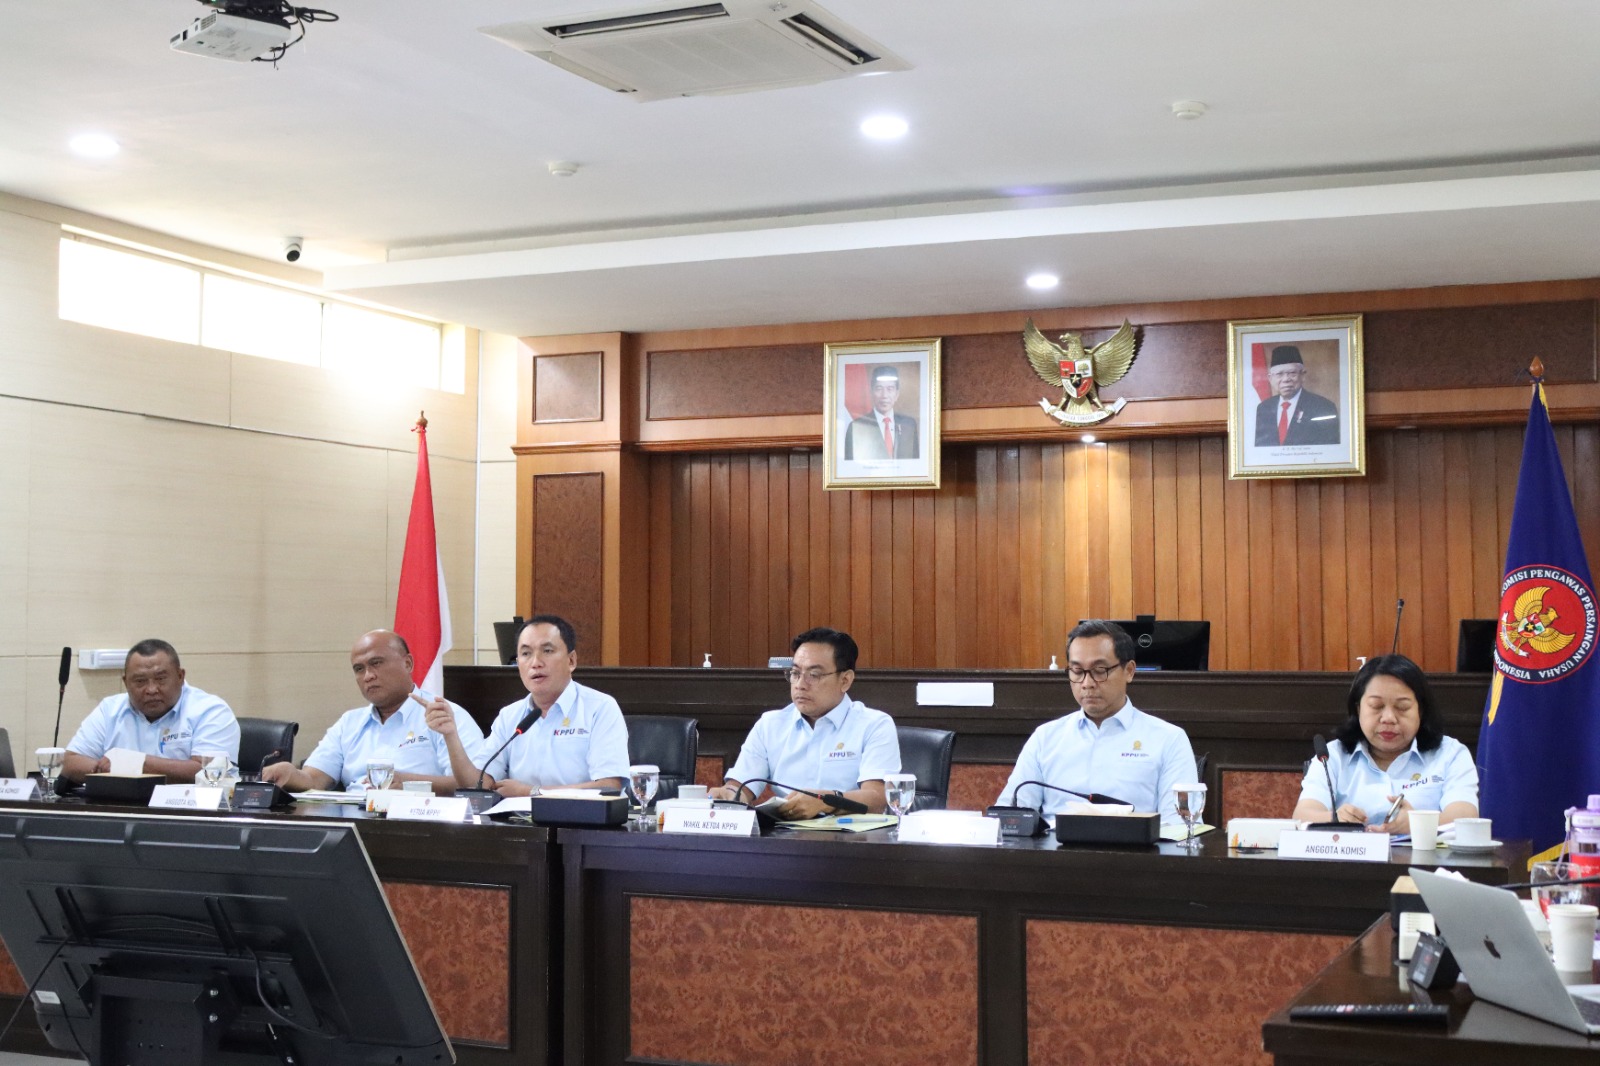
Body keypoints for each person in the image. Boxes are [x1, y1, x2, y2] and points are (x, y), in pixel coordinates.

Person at [997, 620, 1196, 820]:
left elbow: (1179, 826)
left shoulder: (1169, 739)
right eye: (1077, 671)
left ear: (1129, 671)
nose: (1087, 683)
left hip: (1136, 840)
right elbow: (1009, 816)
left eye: (1100, 671)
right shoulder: (1045, 738)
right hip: (1057, 840)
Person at [261, 630, 486, 794]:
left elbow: (474, 784)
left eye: (376, 663)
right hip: (355, 822)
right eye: (359, 669)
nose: (368, 676)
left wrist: (408, 784)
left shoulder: (444, 717)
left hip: (419, 826)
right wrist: (290, 774)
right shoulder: (349, 723)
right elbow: (315, 779)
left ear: (408, 664)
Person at [710, 627, 901, 817]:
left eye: (814, 675)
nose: (800, 685)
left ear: (845, 680)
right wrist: (729, 795)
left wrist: (826, 802)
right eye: (795, 673)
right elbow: (741, 786)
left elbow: (877, 798)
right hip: (785, 830)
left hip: (848, 833)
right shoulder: (770, 725)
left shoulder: (874, 725)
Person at [1293, 654, 1478, 833]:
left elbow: (1465, 817)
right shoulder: (1332, 756)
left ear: (1420, 711)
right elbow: (1302, 816)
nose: (1388, 718)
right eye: (1377, 706)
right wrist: (1335, 819)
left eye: (1402, 707)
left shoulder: (1450, 754)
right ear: (1358, 709)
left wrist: (1418, 824)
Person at [466, 615, 629, 796]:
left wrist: (532, 792)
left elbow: (608, 787)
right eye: (526, 653)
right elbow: (481, 780)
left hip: (583, 815)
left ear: (571, 661)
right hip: (517, 815)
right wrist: (451, 738)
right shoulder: (509, 716)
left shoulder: (600, 708)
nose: (536, 663)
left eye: (548, 651)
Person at [61, 638, 239, 785]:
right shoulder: (110, 709)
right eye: (140, 681)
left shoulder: (211, 711)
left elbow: (208, 771)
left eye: (161, 679)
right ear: (125, 682)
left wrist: (134, 763)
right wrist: (106, 769)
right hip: (121, 807)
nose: (151, 689)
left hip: (189, 811)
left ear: (180, 676)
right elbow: (70, 762)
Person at [1253, 345, 1340, 446]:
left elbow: (1330, 449)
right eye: (1279, 374)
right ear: (1270, 378)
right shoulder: (1263, 408)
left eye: (1292, 373)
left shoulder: (1323, 407)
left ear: (1302, 375)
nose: (1286, 379)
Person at [843, 365, 919, 460]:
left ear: (897, 394)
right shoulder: (856, 427)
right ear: (871, 392)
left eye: (890, 389)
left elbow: (916, 463)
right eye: (879, 389)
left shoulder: (909, 425)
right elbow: (850, 466)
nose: (884, 395)